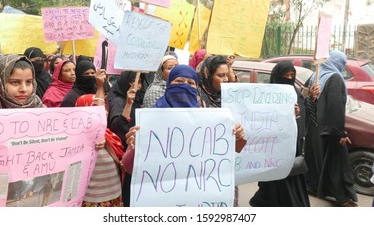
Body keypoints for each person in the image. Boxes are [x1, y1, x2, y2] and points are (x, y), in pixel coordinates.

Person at [122, 65, 245, 206]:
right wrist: (135, 147)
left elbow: (228, 155)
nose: (185, 86)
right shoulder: (150, 120)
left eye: (191, 83)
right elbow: (129, 166)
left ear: (196, 88)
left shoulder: (209, 121)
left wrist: (236, 137)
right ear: (168, 84)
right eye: (179, 81)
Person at [249, 61, 315, 207]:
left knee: (289, 178)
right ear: (277, 76)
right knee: (275, 182)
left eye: (292, 75)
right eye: (286, 75)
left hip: (292, 145)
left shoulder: (295, 92)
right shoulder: (267, 95)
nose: (289, 78)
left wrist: (307, 103)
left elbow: (305, 117)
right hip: (273, 147)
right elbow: (263, 118)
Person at [305, 50, 358, 207]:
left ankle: (314, 187)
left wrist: (311, 97)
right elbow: (336, 107)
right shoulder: (335, 78)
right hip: (329, 128)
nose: (344, 65)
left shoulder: (316, 75)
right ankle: (342, 198)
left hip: (314, 126)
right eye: (343, 62)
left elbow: (306, 97)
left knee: (317, 159)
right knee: (335, 163)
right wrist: (339, 132)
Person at [196, 55, 243, 206]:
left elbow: (239, 146)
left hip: (225, 170)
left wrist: (239, 136)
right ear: (208, 76)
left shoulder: (229, 101)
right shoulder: (195, 100)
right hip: (202, 171)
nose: (226, 79)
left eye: (227, 75)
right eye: (220, 75)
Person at [75, 68, 124, 207]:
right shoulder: (77, 142)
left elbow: (122, 162)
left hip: (114, 196)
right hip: (90, 201)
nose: (105, 113)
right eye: (98, 112)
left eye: (104, 110)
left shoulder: (110, 136)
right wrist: (101, 87)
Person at [107, 70, 143, 207]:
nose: (135, 85)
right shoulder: (118, 101)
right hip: (122, 152)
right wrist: (128, 104)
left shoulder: (137, 100)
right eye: (131, 82)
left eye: (138, 82)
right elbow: (118, 127)